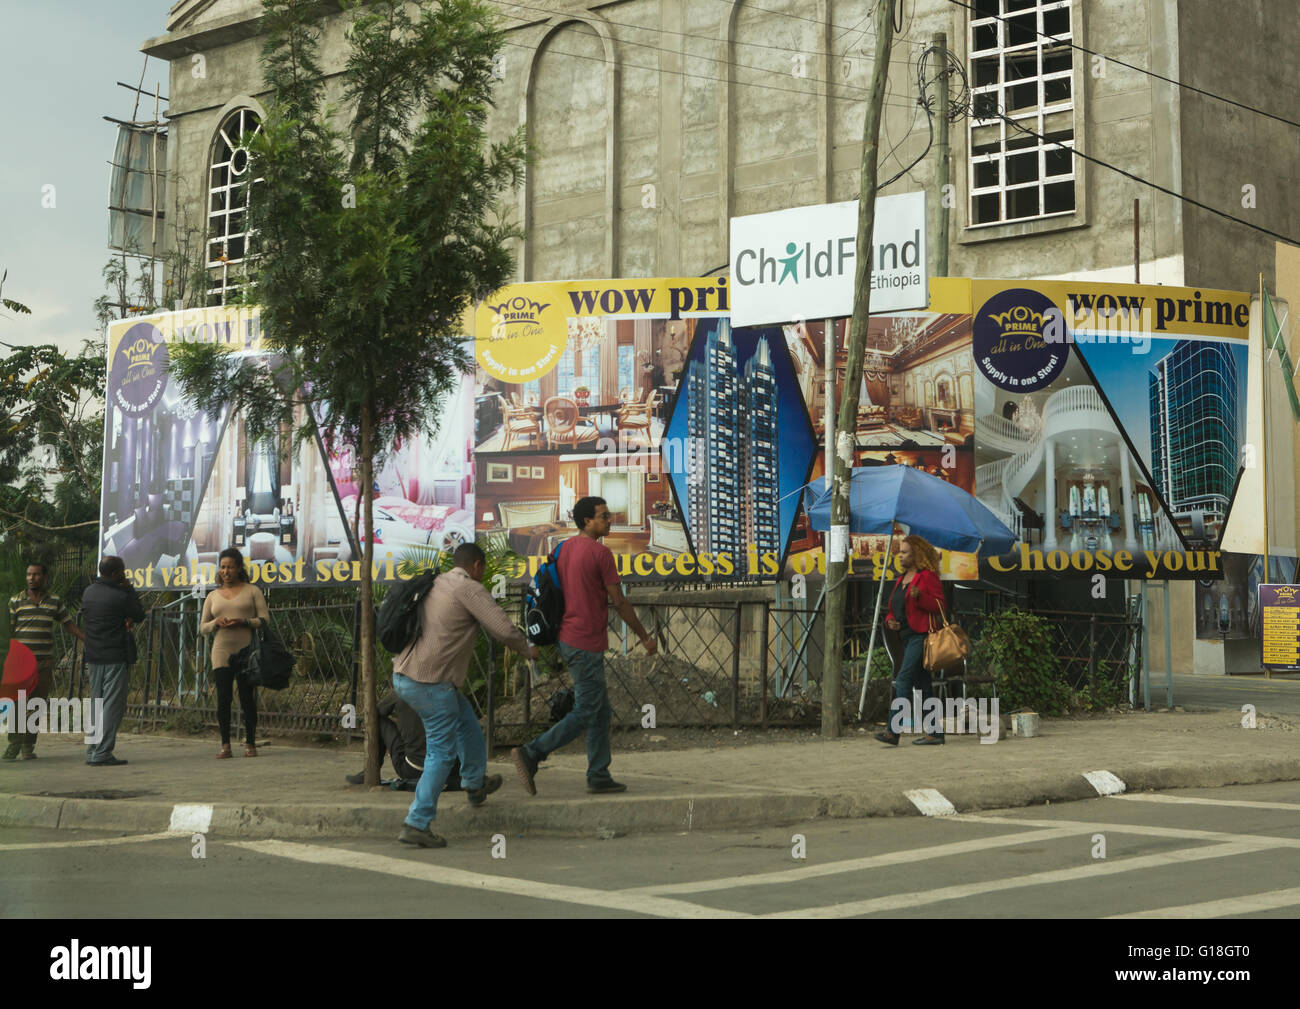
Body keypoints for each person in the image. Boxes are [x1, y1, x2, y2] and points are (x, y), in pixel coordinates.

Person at [392, 542, 538, 849]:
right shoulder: (468, 588)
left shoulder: (437, 582)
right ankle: (417, 822)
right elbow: (503, 628)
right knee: (441, 753)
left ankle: (474, 784)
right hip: (431, 682)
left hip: (406, 675)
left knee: (466, 722)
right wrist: (528, 649)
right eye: (483, 570)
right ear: (477, 566)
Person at [511, 496, 658, 797]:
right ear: (587, 521)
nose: (609, 520)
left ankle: (599, 773)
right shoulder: (600, 554)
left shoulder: (563, 548)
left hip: (567, 638)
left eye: (608, 514)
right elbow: (619, 601)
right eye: (603, 516)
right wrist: (644, 637)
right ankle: (532, 752)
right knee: (587, 710)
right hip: (584, 641)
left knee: (600, 711)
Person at [4, 562, 85, 760]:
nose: (32, 578)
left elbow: (68, 625)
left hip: (44, 662)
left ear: (45, 577)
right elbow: (8, 632)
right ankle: (13, 745)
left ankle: (28, 746)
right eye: (29, 574)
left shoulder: (54, 602)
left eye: (36, 574)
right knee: (18, 704)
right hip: (20, 663)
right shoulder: (16, 601)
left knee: (36, 704)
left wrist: (87, 638)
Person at [875, 534, 947, 746]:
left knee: (903, 678)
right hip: (905, 637)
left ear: (916, 555)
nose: (900, 555)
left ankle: (893, 731)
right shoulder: (900, 579)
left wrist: (920, 597)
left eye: (905, 552)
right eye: (900, 552)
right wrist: (890, 622)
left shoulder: (927, 577)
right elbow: (892, 610)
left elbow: (941, 606)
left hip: (922, 636)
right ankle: (935, 733)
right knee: (923, 685)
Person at [200, 548, 269, 758]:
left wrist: (244, 621)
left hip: (246, 652)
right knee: (223, 698)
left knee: (247, 697)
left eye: (230, 567)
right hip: (221, 650)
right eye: (222, 567)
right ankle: (225, 745)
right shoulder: (212, 596)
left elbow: (265, 621)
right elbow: (202, 627)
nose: (226, 571)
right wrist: (215, 623)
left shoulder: (252, 591)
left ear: (239, 568)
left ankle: (250, 743)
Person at [81, 556, 146, 766]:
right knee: (112, 705)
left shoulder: (88, 592)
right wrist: (129, 589)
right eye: (123, 571)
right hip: (114, 656)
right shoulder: (120, 595)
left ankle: (92, 750)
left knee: (96, 703)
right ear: (117, 573)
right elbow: (138, 614)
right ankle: (103, 752)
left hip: (93, 655)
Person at [344, 692, 463, 791]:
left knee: (377, 720)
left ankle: (370, 770)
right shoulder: (445, 691)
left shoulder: (402, 691)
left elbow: (374, 713)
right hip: (449, 769)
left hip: (414, 770)